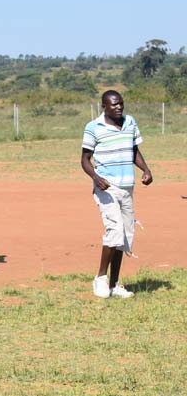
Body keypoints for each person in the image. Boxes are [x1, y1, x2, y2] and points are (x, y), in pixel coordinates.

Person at [81, 90, 153, 299]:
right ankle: (100, 278)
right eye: (114, 105)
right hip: (106, 187)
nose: (119, 107)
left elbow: (134, 151)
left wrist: (146, 170)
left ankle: (114, 284)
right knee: (114, 230)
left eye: (121, 103)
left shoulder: (130, 122)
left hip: (127, 186)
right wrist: (95, 177)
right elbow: (85, 159)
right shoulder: (93, 127)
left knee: (125, 237)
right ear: (104, 106)